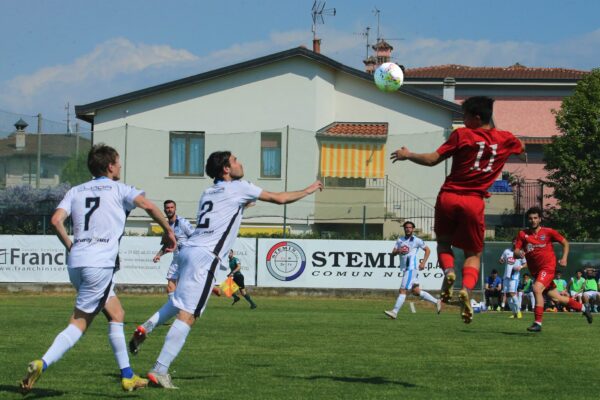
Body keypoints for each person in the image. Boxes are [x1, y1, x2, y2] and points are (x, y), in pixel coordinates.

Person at [146, 151, 323, 389]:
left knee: (180, 301)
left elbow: (229, 210)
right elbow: (280, 198)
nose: (241, 163)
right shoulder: (239, 187)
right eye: (236, 160)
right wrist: (308, 190)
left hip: (189, 251)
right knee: (189, 315)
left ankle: (147, 327)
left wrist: (245, 204)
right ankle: (160, 369)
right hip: (206, 257)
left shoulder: (208, 192)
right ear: (226, 169)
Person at [20, 144, 176, 393]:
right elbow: (147, 205)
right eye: (118, 162)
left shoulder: (76, 190)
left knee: (116, 314)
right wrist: (168, 231)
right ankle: (43, 362)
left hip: (77, 262)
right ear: (111, 166)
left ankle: (127, 376)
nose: (121, 166)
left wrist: (72, 245)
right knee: (79, 323)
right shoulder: (120, 189)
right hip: (99, 264)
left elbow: (55, 220)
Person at [390, 96, 525, 323]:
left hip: (449, 197)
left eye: (466, 116)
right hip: (474, 202)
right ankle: (467, 290)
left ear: (477, 117)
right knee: (474, 254)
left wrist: (408, 155)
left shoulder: (462, 135)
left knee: (443, 243)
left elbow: (433, 159)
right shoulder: (506, 139)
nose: (463, 121)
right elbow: (522, 148)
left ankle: (450, 272)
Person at [128, 200, 196, 355]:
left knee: (182, 291)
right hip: (176, 259)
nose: (169, 210)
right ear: (165, 210)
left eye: (172, 207)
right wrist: (159, 255)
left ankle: (171, 313)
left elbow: (195, 238)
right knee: (171, 288)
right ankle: (175, 312)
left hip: (186, 259)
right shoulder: (167, 227)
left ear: (175, 209)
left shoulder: (183, 223)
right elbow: (166, 246)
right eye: (167, 208)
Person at [514, 207, 591, 332]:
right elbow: (516, 251)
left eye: (535, 218)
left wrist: (564, 258)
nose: (533, 220)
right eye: (530, 218)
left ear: (540, 219)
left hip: (548, 268)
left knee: (536, 288)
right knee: (557, 298)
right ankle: (583, 308)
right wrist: (518, 254)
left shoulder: (548, 232)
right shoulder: (523, 234)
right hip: (536, 272)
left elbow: (565, 242)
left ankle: (538, 323)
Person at [384, 221, 441, 319]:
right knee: (416, 291)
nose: (408, 229)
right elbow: (393, 253)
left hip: (411, 269)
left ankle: (394, 312)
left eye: (410, 227)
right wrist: (398, 251)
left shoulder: (416, 240)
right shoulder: (400, 240)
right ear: (404, 229)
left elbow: (428, 250)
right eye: (406, 227)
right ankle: (437, 302)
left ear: (413, 229)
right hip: (406, 269)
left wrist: (423, 262)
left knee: (402, 290)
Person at [499, 242, 526, 318]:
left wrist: (520, 267)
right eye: (514, 241)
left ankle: (519, 312)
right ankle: (514, 313)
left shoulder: (521, 252)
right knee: (507, 295)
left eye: (516, 241)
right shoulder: (506, 251)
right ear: (512, 242)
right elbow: (501, 259)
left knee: (512, 293)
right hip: (506, 276)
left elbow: (525, 264)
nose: (515, 243)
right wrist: (501, 261)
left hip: (514, 276)